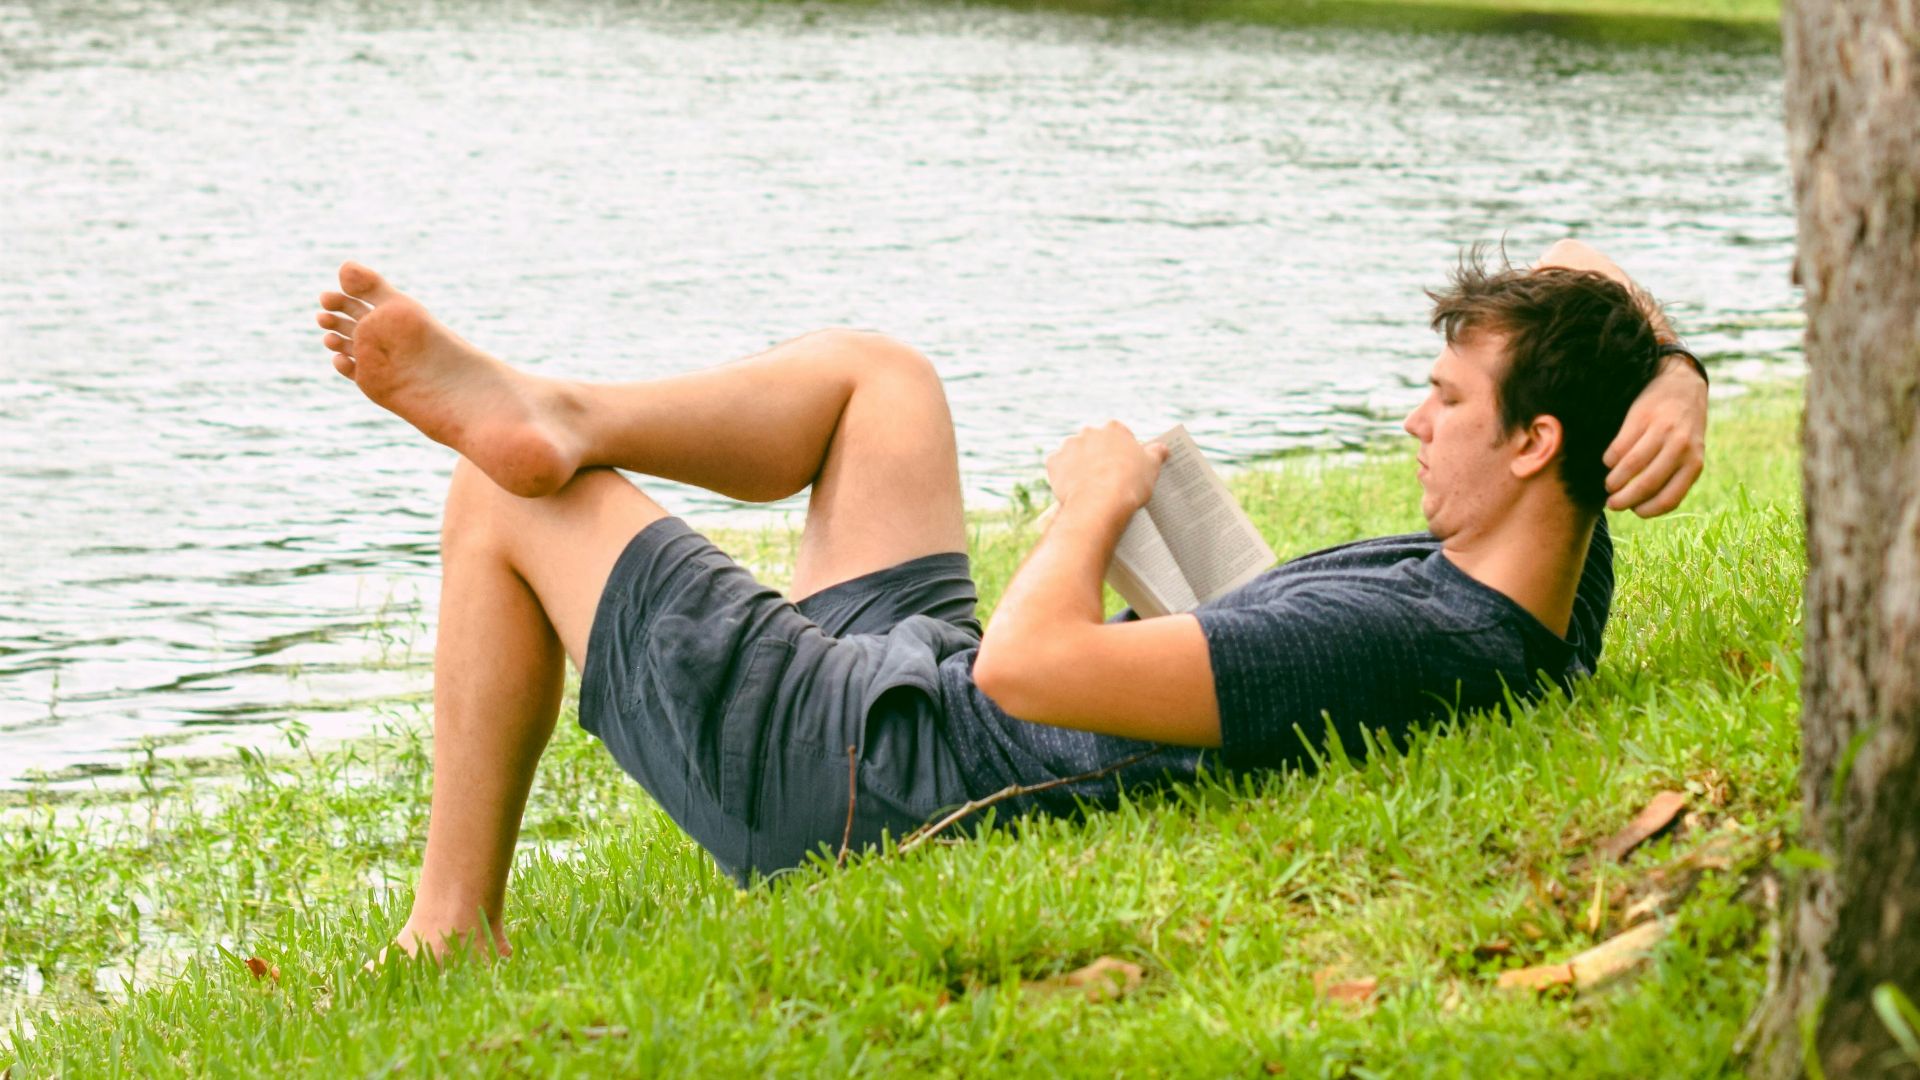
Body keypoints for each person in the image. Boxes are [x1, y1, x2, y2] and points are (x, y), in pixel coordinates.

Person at [312, 238, 1708, 961]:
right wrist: (1673, 373)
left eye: (1449, 401)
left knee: (501, 499)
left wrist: (1090, 503)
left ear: (1535, 444)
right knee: (882, 378)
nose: (1414, 421)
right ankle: (559, 406)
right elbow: (1587, 292)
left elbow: (1024, 675)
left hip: (860, 777)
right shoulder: (1548, 580)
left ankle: (451, 928)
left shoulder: (1391, 637)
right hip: (911, 698)